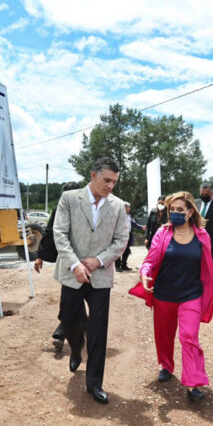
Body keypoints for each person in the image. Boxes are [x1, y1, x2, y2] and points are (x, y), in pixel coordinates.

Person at [53, 157, 129, 404]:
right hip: (72, 273)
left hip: (100, 276)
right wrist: (75, 264)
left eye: (114, 182)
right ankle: (76, 348)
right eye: (107, 180)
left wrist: (99, 260)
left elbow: (121, 240)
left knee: (99, 331)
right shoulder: (69, 199)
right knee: (68, 319)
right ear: (93, 175)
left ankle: (94, 383)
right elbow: (60, 234)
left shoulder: (117, 206)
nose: (110, 186)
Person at [135, 191, 213, 402]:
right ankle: (166, 365)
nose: (175, 213)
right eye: (172, 210)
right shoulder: (162, 233)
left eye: (180, 210)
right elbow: (150, 260)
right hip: (164, 294)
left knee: (189, 337)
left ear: (190, 212)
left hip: (191, 294)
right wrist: (144, 274)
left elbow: (208, 266)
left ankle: (193, 382)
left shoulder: (202, 236)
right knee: (164, 334)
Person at [33, 181, 83, 353]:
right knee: (70, 297)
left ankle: (63, 331)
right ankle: (65, 331)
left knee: (74, 298)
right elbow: (50, 233)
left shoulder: (90, 210)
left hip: (88, 262)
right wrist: (40, 256)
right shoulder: (59, 210)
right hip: (68, 261)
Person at [116, 202, 144, 272]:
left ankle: (124, 265)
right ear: (125, 208)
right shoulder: (118, 215)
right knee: (118, 251)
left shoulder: (128, 216)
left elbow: (133, 224)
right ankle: (117, 266)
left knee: (126, 251)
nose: (129, 209)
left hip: (127, 236)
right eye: (128, 207)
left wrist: (141, 227)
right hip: (120, 236)